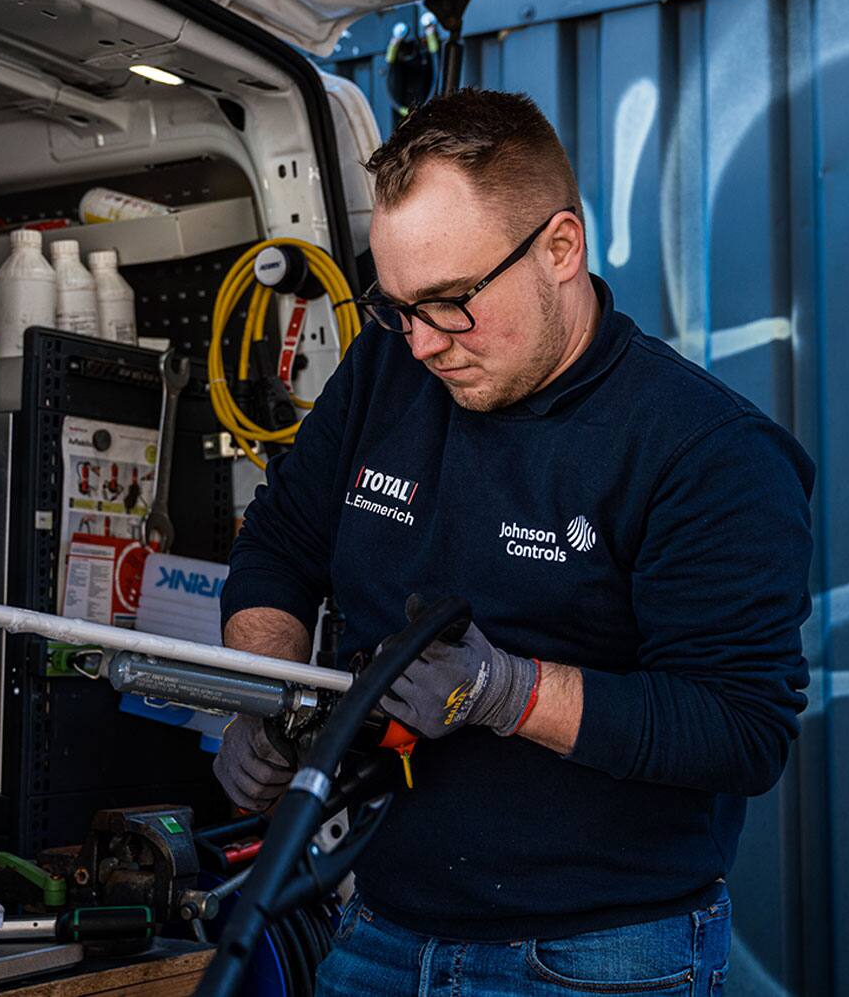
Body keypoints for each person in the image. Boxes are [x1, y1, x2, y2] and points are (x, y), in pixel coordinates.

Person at [213, 89, 813, 995]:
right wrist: (262, 693)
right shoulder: (388, 373)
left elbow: (738, 727)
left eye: (450, 302)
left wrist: (512, 691)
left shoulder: (704, 451)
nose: (420, 343)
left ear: (560, 248)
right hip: (372, 924)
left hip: (594, 958)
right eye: (398, 306)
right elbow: (282, 543)